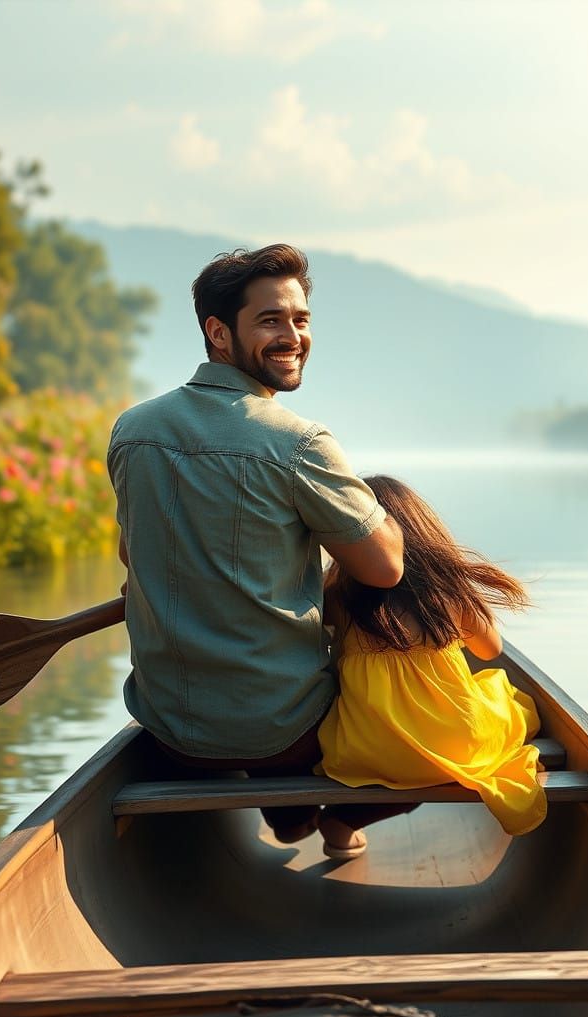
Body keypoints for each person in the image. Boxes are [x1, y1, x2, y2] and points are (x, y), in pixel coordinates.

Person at [107, 243, 408, 859]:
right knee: (446, 730)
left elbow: (129, 553)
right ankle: (319, 816)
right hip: (282, 734)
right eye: (271, 320)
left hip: (169, 729)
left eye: (300, 320)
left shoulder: (133, 431)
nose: (292, 336)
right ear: (218, 333)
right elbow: (386, 567)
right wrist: (385, 516)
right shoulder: (300, 444)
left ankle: (290, 813)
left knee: (268, 699)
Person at [317, 475, 547, 839]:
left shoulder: (339, 597)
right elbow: (492, 651)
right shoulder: (448, 595)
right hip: (452, 747)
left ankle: (341, 822)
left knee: (397, 749)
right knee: (509, 697)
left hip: (361, 750)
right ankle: (342, 823)